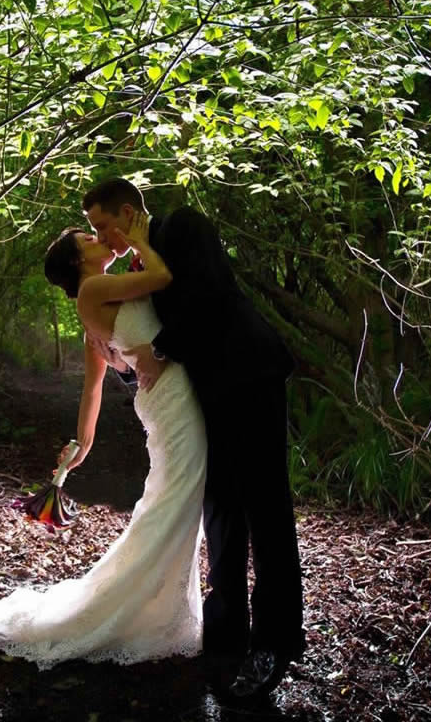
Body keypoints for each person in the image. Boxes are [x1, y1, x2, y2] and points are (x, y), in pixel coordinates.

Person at [81, 178, 304, 700]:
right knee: (220, 505)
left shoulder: (183, 226)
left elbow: (206, 295)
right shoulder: (139, 265)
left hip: (249, 373)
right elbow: (138, 340)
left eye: (104, 225)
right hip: (204, 392)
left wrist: (158, 351)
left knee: (264, 507)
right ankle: (226, 628)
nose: (101, 238)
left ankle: (274, 642)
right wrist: (120, 355)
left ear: (131, 211)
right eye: (93, 230)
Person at [0, 212, 209, 668]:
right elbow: (162, 277)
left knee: (173, 500)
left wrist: (79, 448)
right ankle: (143, 610)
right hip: (169, 402)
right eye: (90, 237)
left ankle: (156, 607)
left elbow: (92, 389)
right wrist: (135, 238)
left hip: (167, 402)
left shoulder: (104, 297)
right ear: (79, 258)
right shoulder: (95, 290)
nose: (99, 238)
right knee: (177, 498)